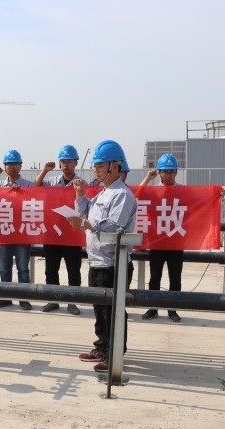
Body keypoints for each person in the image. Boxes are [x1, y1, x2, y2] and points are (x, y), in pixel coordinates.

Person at [68, 140, 137, 373]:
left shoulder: (122, 195)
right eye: (95, 166)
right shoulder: (104, 193)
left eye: (100, 165)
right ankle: (102, 346)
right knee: (99, 308)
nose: (96, 170)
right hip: (98, 261)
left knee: (113, 310)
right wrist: (79, 194)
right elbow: (86, 212)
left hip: (113, 263)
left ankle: (114, 353)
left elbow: (112, 227)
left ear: (115, 166)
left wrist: (83, 224)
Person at [34, 145, 83, 315]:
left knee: (73, 271)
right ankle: (52, 300)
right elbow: (35, 188)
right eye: (63, 161)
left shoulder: (81, 183)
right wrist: (44, 171)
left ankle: (72, 302)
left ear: (75, 163)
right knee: (51, 270)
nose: (66, 164)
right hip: (53, 233)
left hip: (73, 235)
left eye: (69, 161)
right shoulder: (52, 181)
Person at [0, 149, 33, 311]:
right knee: (4, 268)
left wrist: (22, 193)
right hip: (4, 232)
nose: (12, 167)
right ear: (5, 167)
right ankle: (5, 297)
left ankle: (24, 298)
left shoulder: (28, 185)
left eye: (15, 164)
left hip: (22, 233)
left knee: (23, 268)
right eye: (9, 164)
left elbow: (37, 199)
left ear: (20, 166)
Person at [140, 154, 183, 323]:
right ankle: (153, 308)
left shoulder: (183, 191)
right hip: (157, 241)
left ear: (176, 172)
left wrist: (218, 196)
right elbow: (137, 196)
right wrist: (147, 178)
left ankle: (172, 309)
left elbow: (200, 201)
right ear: (159, 173)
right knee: (155, 277)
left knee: (175, 278)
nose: (169, 175)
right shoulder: (153, 191)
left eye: (172, 171)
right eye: (165, 172)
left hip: (175, 241)